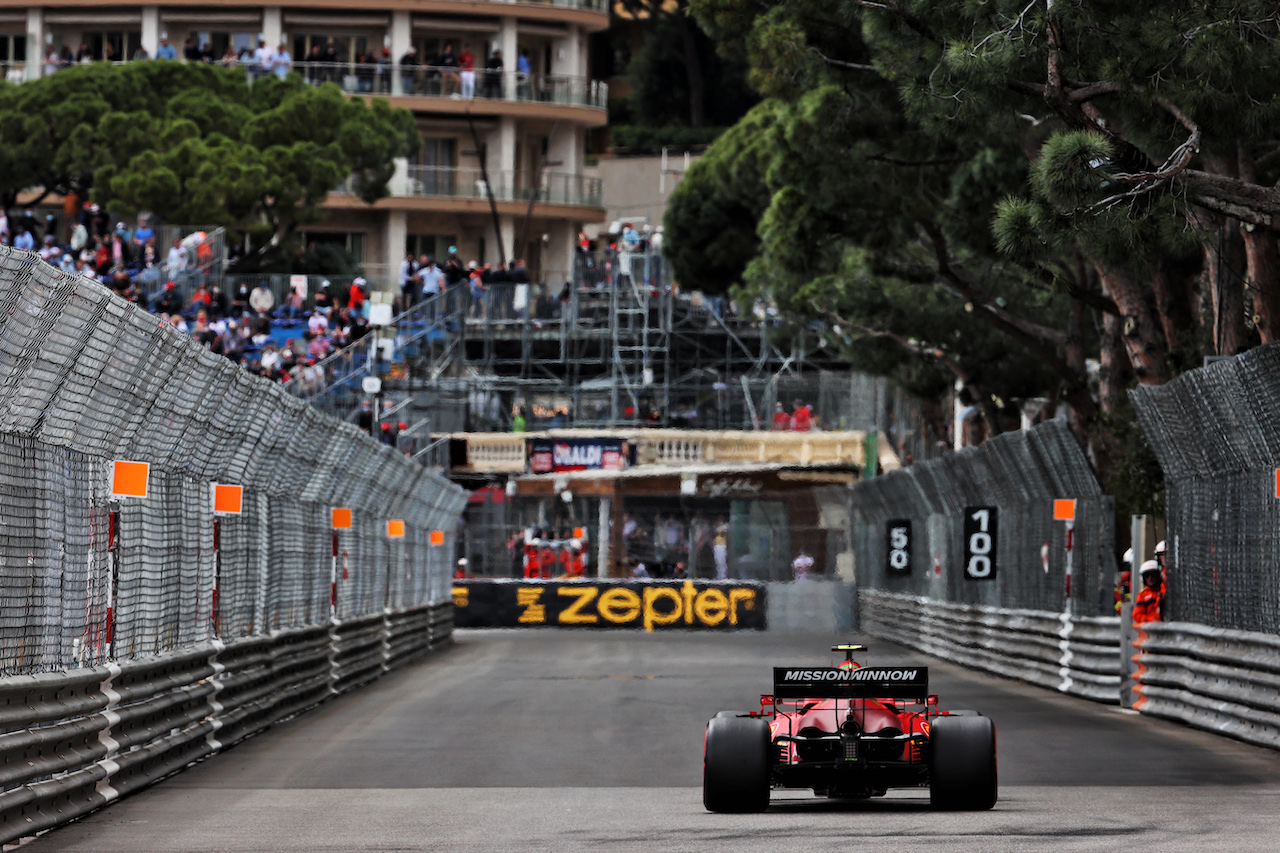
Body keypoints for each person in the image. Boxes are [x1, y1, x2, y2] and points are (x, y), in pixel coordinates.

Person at [1132, 560, 1165, 626]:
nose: (1150, 578)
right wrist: (1152, 620)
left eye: (1153, 575)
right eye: (1147, 575)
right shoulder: (1142, 595)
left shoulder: (1164, 590)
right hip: (1150, 631)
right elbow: (1137, 615)